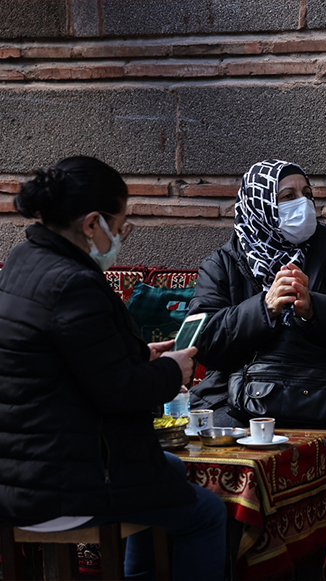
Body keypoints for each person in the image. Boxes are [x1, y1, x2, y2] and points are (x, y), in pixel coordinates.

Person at [0, 156, 226, 580]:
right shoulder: (75, 284)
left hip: (21, 469)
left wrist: (142, 356)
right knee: (208, 513)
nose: (120, 237)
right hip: (62, 486)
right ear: (91, 224)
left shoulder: (24, 261)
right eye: (120, 227)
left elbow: (70, 360)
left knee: (170, 471)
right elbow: (118, 391)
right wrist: (172, 372)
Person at [188, 159, 326, 440]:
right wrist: (264, 308)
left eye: (307, 194)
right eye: (288, 197)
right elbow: (203, 340)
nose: (304, 203)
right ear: (261, 205)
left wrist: (313, 308)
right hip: (237, 401)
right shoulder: (223, 264)